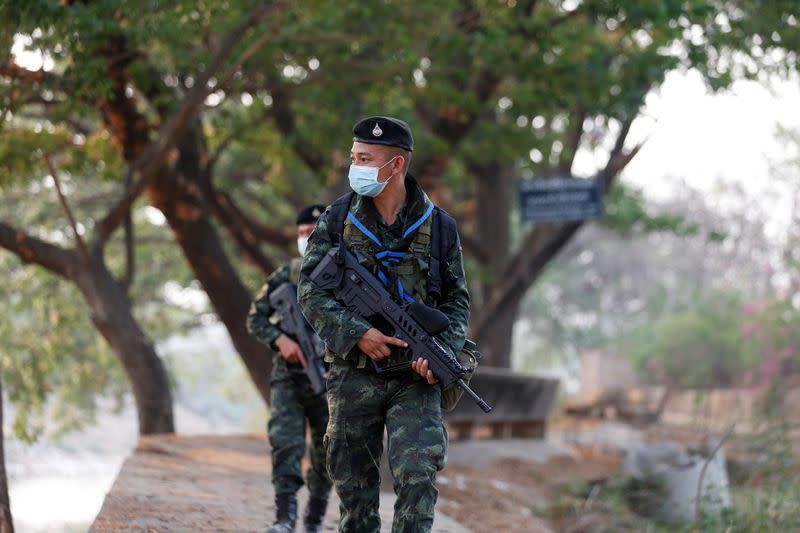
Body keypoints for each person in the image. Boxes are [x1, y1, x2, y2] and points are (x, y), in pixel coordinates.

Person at [298, 116, 470, 532]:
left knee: (417, 474)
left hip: (415, 376)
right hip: (354, 372)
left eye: (364, 158)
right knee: (354, 485)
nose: (354, 165)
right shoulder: (338, 219)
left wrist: (440, 351)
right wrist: (357, 334)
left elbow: (457, 299)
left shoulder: (440, 226)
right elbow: (310, 291)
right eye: (354, 156)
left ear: (395, 165)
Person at [247, 204, 332, 533]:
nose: (305, 239)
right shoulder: (288, 275)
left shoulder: (345, 276)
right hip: (289, 377)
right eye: (300, 234)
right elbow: (255, 318)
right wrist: (281, 340)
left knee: (328, 451)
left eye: (311, 233)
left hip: (330, 380)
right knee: (285, 442)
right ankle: (284, 518)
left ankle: (313, 519)